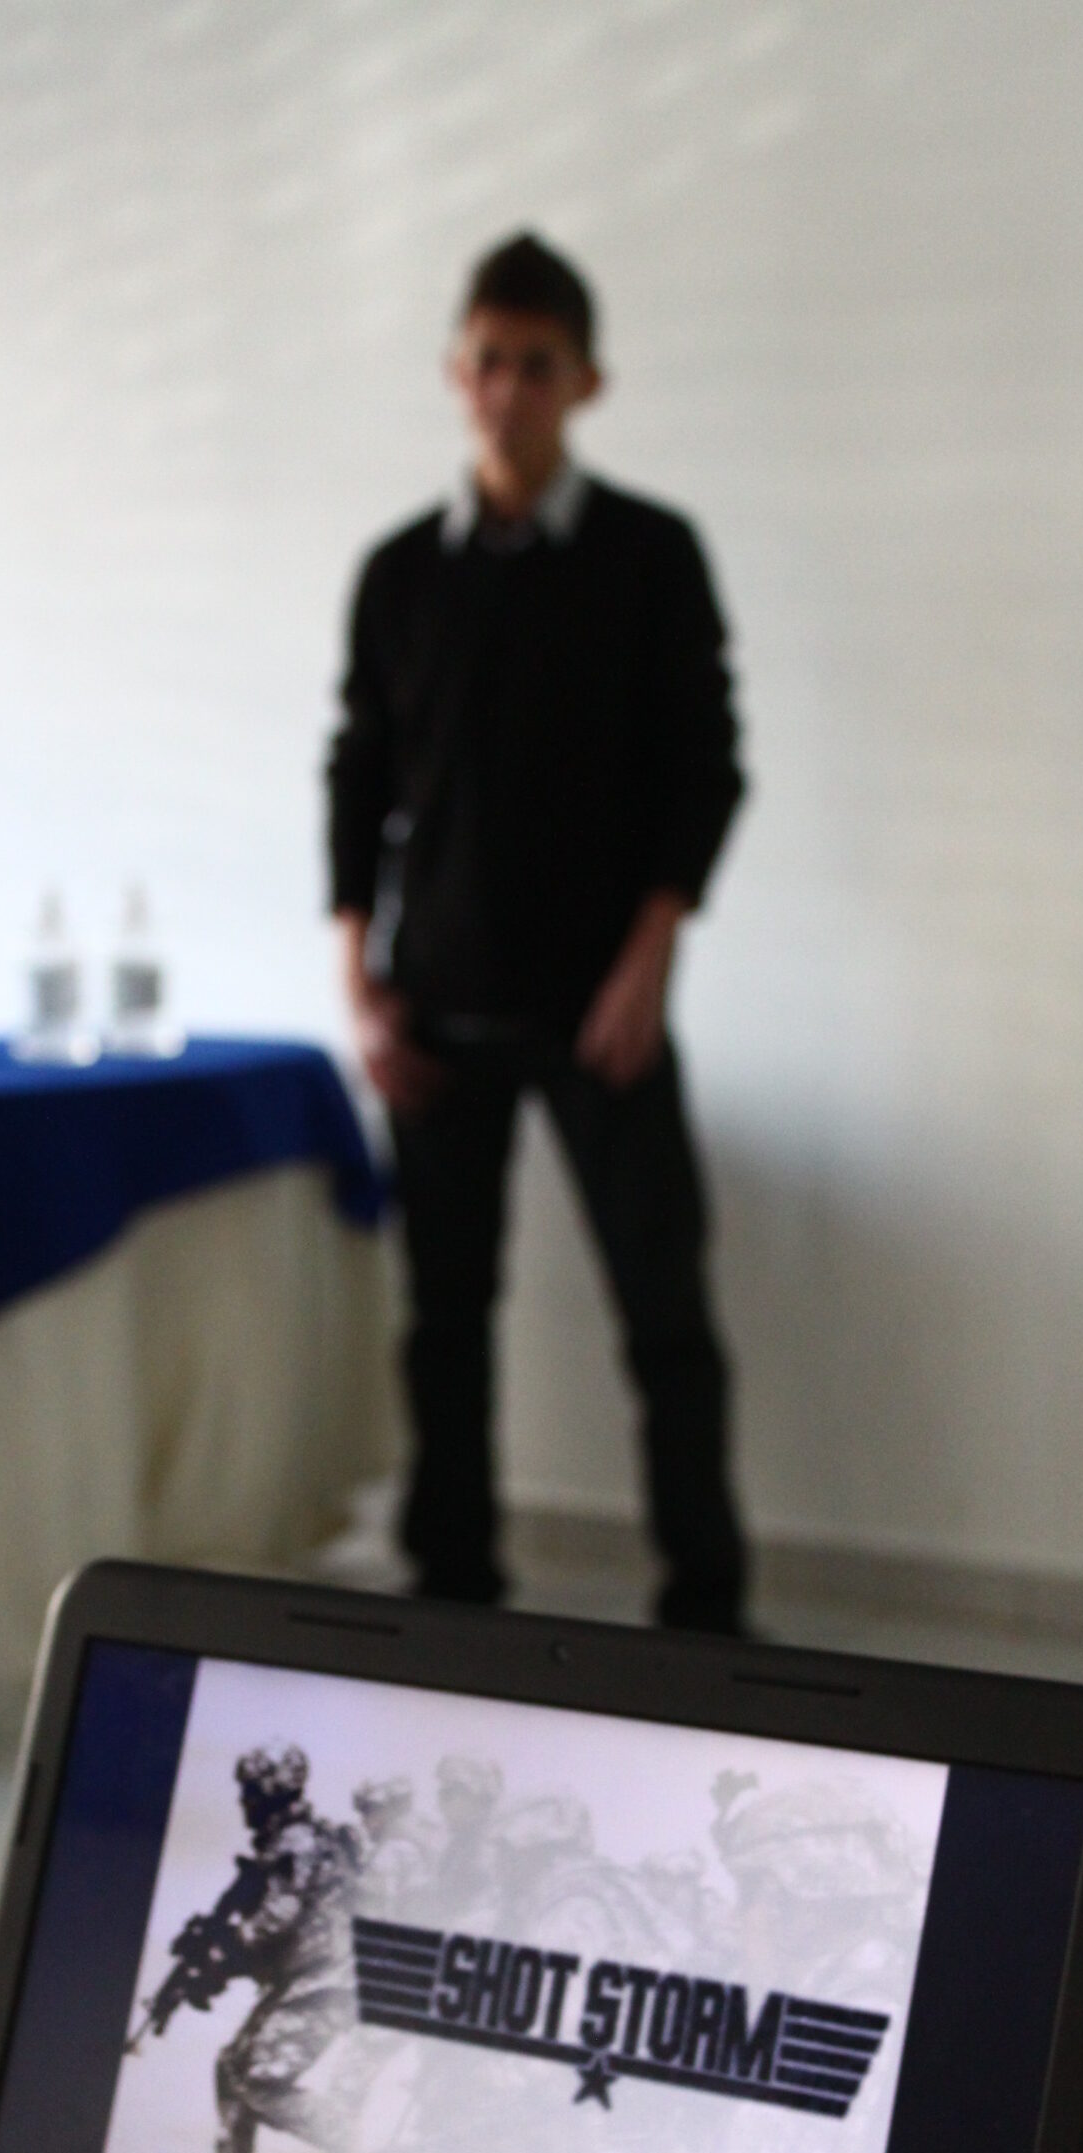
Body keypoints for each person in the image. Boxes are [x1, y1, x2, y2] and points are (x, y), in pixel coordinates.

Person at [327, 232, 749, 1631]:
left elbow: (704, 771)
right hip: (435, 1009)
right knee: (443, 1324)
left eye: (537, 366)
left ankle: (704, 1611)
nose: (508, 391)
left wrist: (650, 963)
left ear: (586, 382)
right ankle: (451, 1597)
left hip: (599, 1009)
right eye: (488, 363)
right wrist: (357, 983)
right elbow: (358, 780)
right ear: (456, 373)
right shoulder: (400, 572)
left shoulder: (648, 556)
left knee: (665, 1320)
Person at [134, 1742, 355, 2153]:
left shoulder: (298, 1842)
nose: (244, 1803)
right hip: (303, 1980)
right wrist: (218, 1960)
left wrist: (222, 1952)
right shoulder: (289, 1843)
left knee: (259, 2081)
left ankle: (352, 2143)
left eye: (251, 1792)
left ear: (273, 1793)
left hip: (327, 1982)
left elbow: (279, 1917)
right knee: (231, 2067)